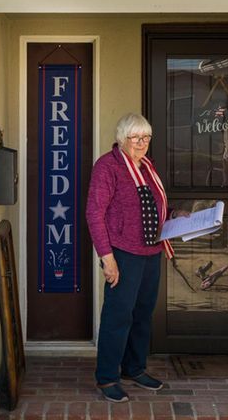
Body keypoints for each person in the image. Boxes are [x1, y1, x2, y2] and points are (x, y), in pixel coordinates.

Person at [86, 112, 187, 403]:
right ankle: (107, 378)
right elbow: (95, 214)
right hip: (123, 254)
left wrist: (174, 215)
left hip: (151, 252)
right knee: (118, 316)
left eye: (146, 137)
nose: (141, 143)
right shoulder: (108, 167)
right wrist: (108, 258)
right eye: (135, 138)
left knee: (143, 315)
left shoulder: (147, 167)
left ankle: (134, 367)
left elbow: (150, 207)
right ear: (121, 138)